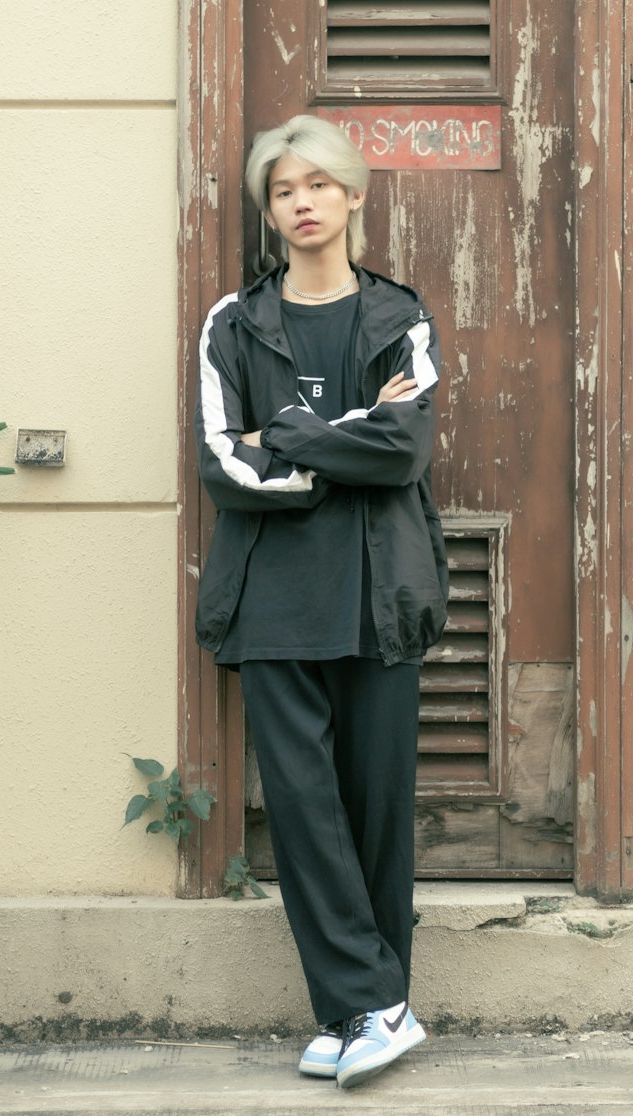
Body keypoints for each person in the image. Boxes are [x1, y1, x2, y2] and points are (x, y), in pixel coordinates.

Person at [193, 114, 448, 1089]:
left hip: (381, 593)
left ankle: (362, 1012)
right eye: (280, 191)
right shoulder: (233, 321)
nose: (298, 203)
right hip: (272, 602)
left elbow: (404, 450)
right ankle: (370, 1005)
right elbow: (223, 460)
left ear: (351, 196)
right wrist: (330, 450)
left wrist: (288, 435)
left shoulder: (399, 318)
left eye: (315, 184)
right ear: (269, 211)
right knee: (302, 809)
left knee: (376, 807)